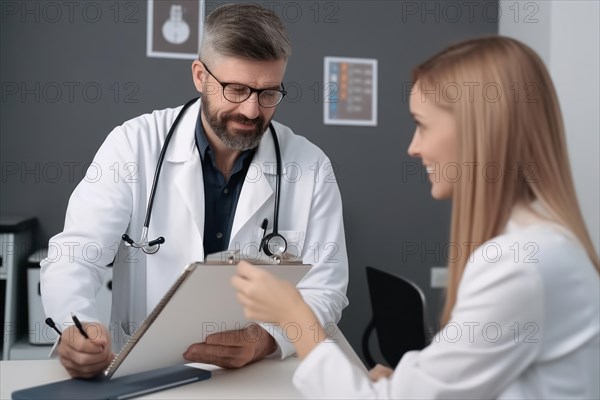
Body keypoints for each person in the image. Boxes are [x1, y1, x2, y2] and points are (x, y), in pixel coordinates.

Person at [232, 36, 600, 398]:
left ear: (478, 133)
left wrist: (292, 315)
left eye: (422, 125)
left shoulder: (519, 265)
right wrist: (405, 385)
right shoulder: (538, 246)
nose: (414, 147)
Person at [40, 3, 348, 379]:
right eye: (236, 89)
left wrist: (266, 339)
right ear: (200, 75)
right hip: (146, 372)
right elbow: (76, 255)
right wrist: (76, 328)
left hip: (254, 377)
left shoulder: (311, 167)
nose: (252, 110)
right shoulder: (133, 145)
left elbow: (327, 288)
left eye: (268, 93)